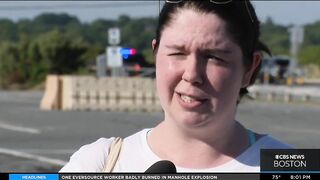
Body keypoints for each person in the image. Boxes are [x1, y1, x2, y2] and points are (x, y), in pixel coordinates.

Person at [60, 0, 291, 173]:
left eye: (214, 57)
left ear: (250, 69)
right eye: (177, 53)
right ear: (155, 54)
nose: (192, 74)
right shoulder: (99, 162)